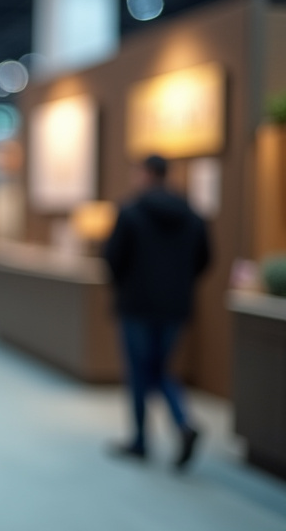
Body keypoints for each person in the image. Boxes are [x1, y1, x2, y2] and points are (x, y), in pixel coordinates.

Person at [103, 155, 210, 471]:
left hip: (137, 305)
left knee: (140, 371)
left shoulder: (131, 212)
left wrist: (128, 285)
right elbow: (204, 259)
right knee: (160, 367)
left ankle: (142, 439)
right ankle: (182, 424)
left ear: (147, 174)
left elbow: (113, 258)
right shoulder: (192, 214)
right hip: (175, 307)